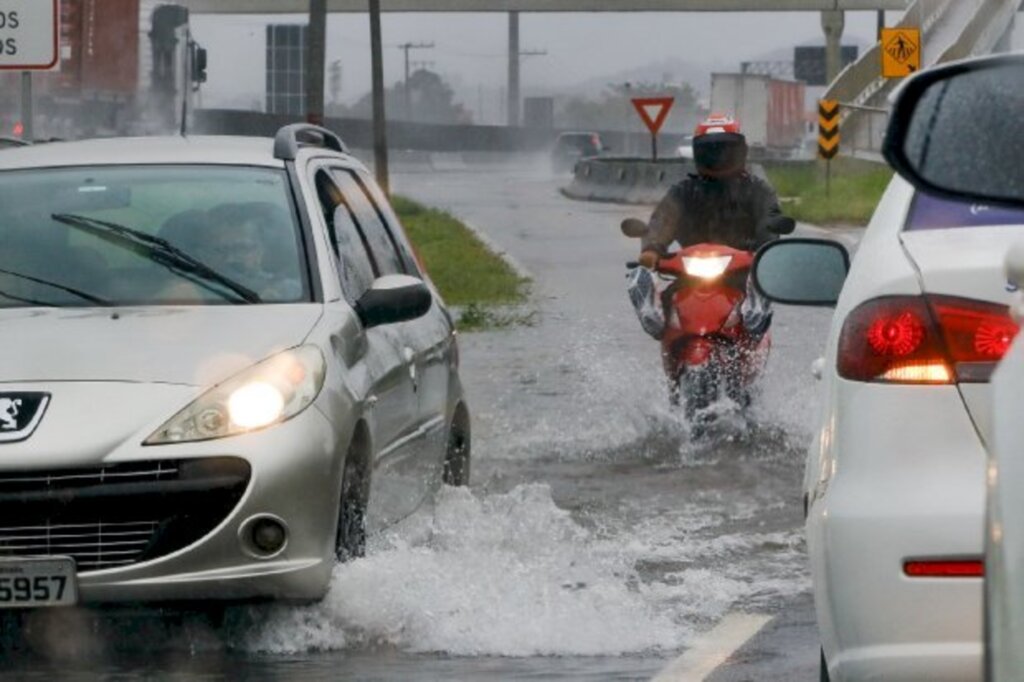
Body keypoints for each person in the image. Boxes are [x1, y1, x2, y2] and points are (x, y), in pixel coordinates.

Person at [636, 114, 783, 334]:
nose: (718, 155)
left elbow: (770, 221)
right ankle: (666, 334)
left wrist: (764, 252)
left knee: (757, 308)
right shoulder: (684, 191)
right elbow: (662, 219)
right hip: (691, 276)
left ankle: (752, 336)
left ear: (740, 151)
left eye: (725, 149)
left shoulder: (757, 190)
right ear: (698, 152)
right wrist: (652, 248)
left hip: (743, 274)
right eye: (710, 149)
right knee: (664, 305)